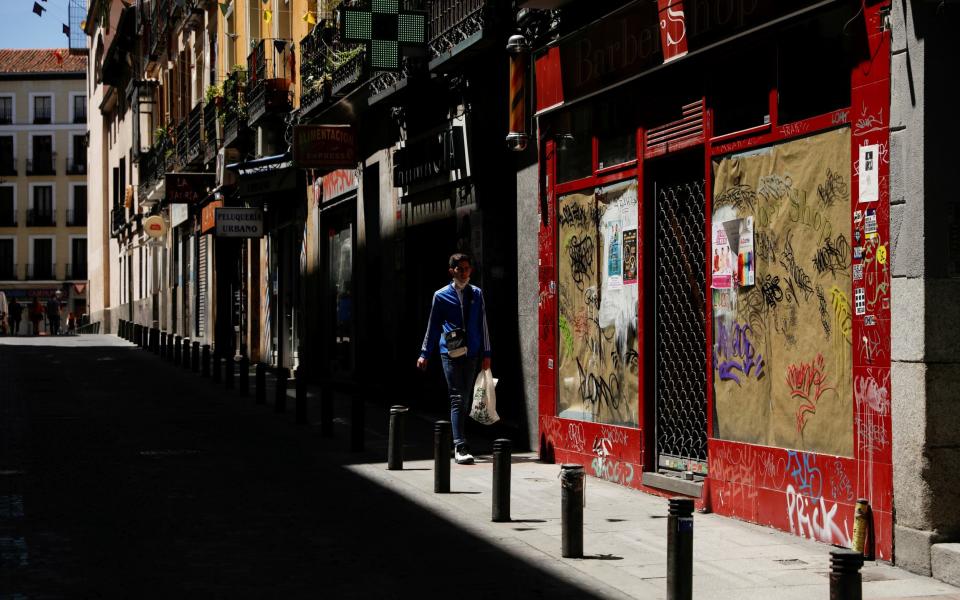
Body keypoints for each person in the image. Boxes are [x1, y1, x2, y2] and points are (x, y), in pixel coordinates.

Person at [417, 253, 492, 465]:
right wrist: (424, 353)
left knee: (465, 397)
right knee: (457, 397)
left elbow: (483, 325)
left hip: (472, 353)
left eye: (468, 269)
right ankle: (460, 445)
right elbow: (433, 327)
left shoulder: (476, 294)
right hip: (449, 353)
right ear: (452, 271)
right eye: (460, 269)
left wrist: (487, 354)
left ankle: (459, 438)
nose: (465, 272)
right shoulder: (440, 296)